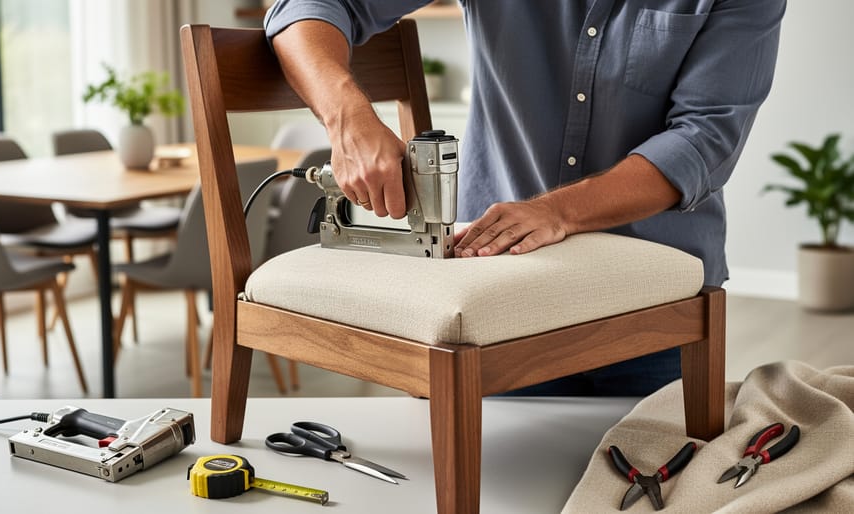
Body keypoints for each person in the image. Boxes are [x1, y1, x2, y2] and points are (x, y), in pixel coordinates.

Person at [264, 1, 786, 396]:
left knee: (661, 478)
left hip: (656, 307)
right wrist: (348, 117)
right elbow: (306, 8)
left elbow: (705, 138)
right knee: (490, 484)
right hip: (492, 292)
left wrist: (557, 212)